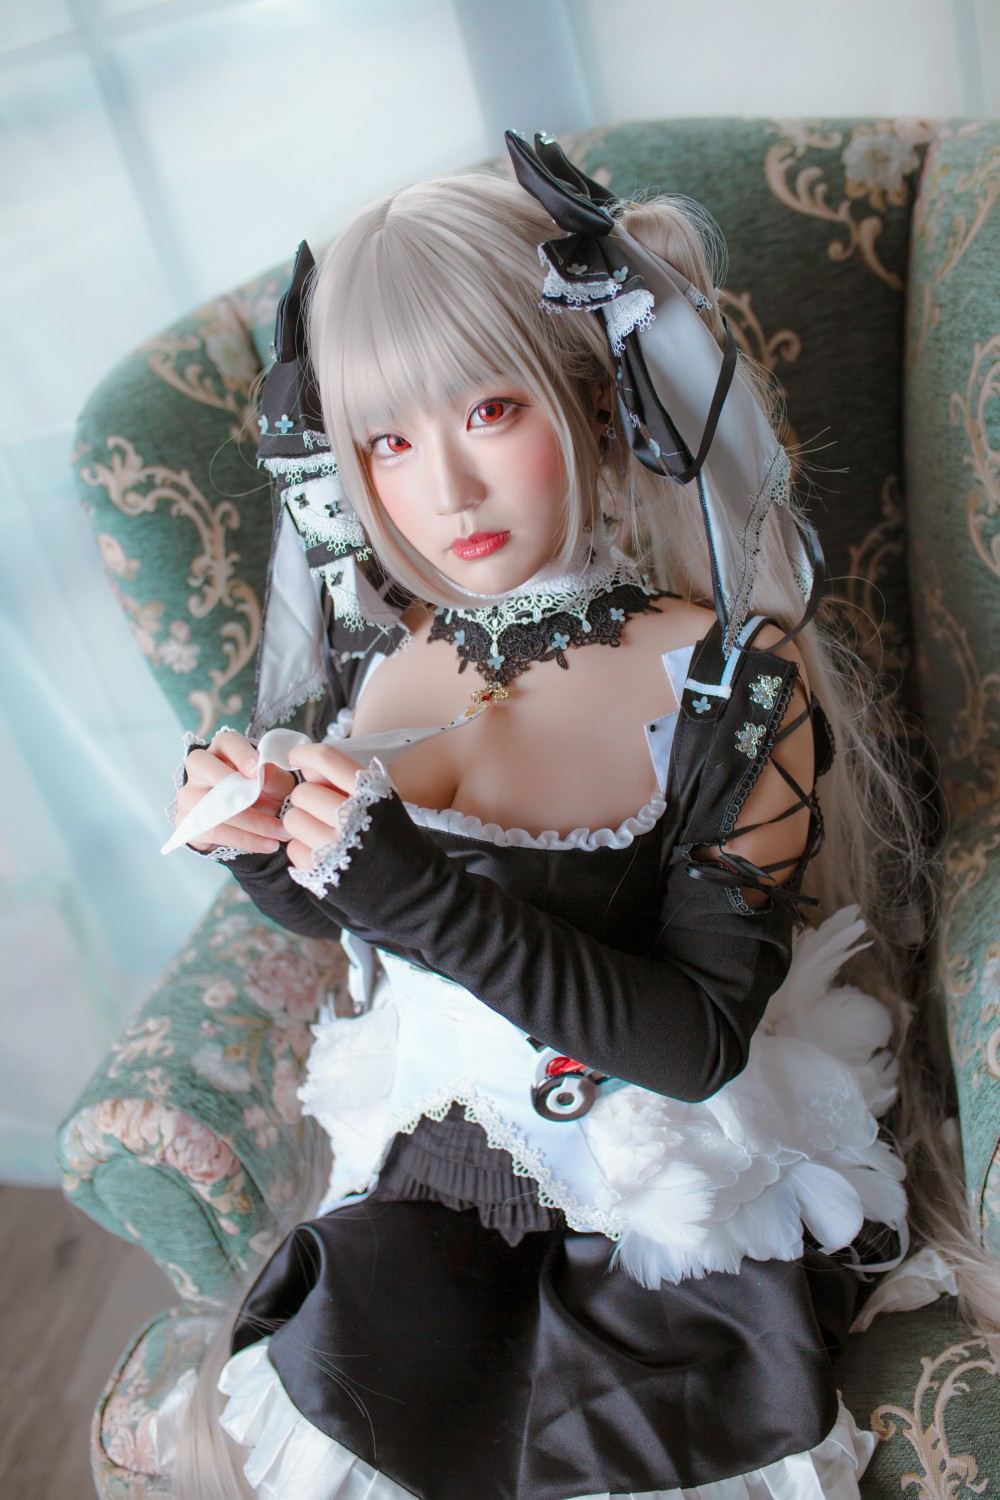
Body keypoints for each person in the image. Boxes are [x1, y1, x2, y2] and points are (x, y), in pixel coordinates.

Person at [165, 134, 950, 1500]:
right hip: (428, 1189)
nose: (446, 493)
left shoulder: (730, 689)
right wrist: (268, 851)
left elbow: (696, 1044)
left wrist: (408, 889)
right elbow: (352, 920)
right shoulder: (376, 663)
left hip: (654, 1217)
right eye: (389, 442)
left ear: (591, 398)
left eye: (488, 410)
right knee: (346, 1386)